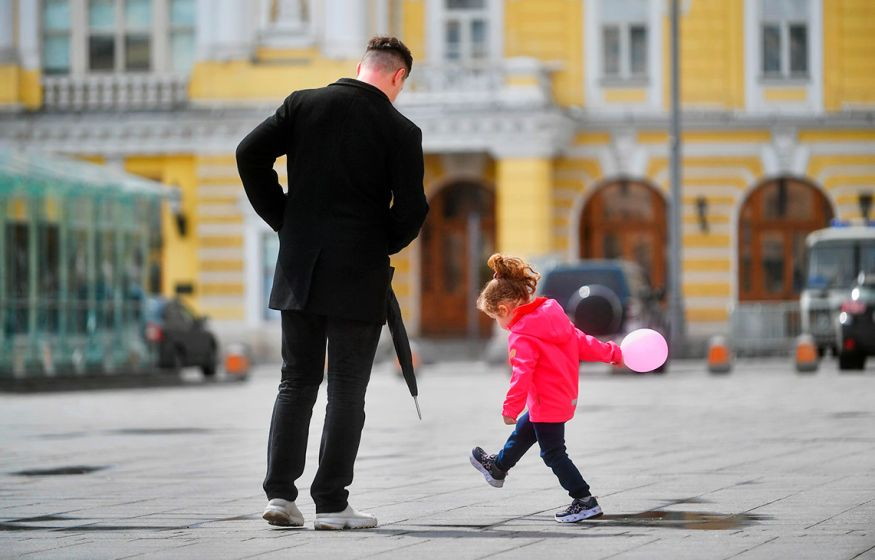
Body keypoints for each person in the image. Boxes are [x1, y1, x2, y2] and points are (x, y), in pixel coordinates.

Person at [236, 36, 428, 530]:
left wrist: (284, 218)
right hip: (357, 275)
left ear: (360, 66)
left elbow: (248, 154)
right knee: (346, 388)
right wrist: (375, 241)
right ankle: (332, 504)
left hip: (300, 267)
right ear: (397, 76)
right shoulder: (400, 129)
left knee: (295, 381)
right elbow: (411, 211)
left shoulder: (303, 103)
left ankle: (280, 495)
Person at [470, 254, 622, 523]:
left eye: (495, 317)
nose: (499, 324)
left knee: (553, 452)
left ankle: (584, 500)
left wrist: (510, 408)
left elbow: (521, 374)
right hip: (562, 397)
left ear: (505, 309)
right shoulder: (554, 316)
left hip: (546, 401)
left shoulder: (522, 333)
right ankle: (498, 468)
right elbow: (584, 343)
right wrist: (614, 353)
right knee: (527, 429)